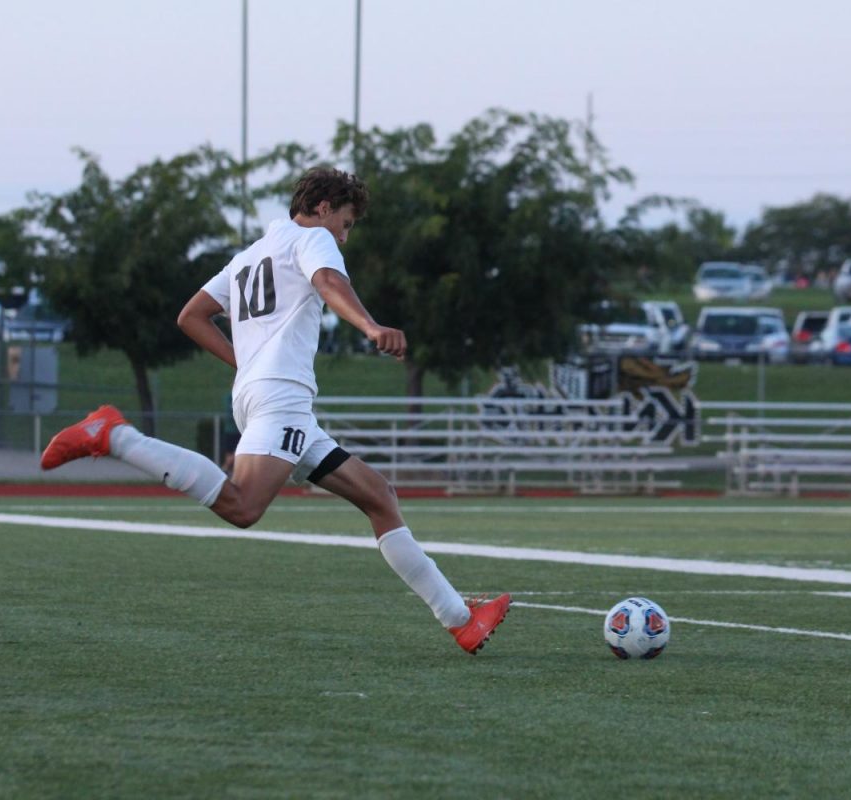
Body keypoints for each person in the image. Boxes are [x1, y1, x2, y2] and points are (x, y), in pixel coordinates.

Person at [40, 167, 510, 654]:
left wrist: (246, 365)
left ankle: (460, 619)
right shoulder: (313, 238)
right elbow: (327, 280)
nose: (344, 237)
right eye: (346, 224)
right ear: (323, 207)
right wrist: (370, 327)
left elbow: (192, 316)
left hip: (269, 399)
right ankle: (113, 436)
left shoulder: (248, 257)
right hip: (280, 398)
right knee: (243, 506)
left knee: (379, 496)